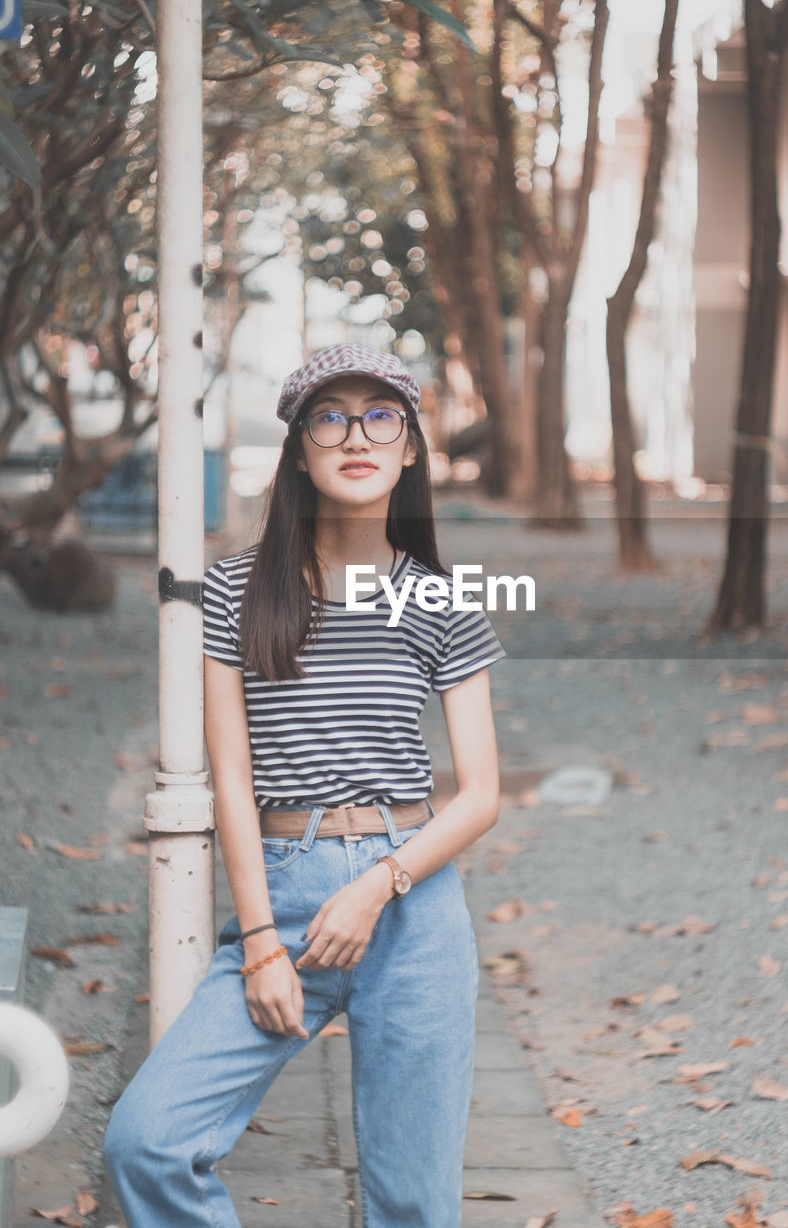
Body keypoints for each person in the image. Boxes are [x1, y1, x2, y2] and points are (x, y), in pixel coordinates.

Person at [104, 342, 507, 1227]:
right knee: (147, 1140)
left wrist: (378, 884)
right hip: (281, 899)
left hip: (412, 906)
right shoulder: (238, 589)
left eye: (380, 416)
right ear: (298, 451)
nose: (354, 434)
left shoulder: (440, 599)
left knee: (411, 1202)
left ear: (408, 451)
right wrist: (258, 944)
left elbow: (480, 793)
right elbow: (232, 784)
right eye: (329, 417)